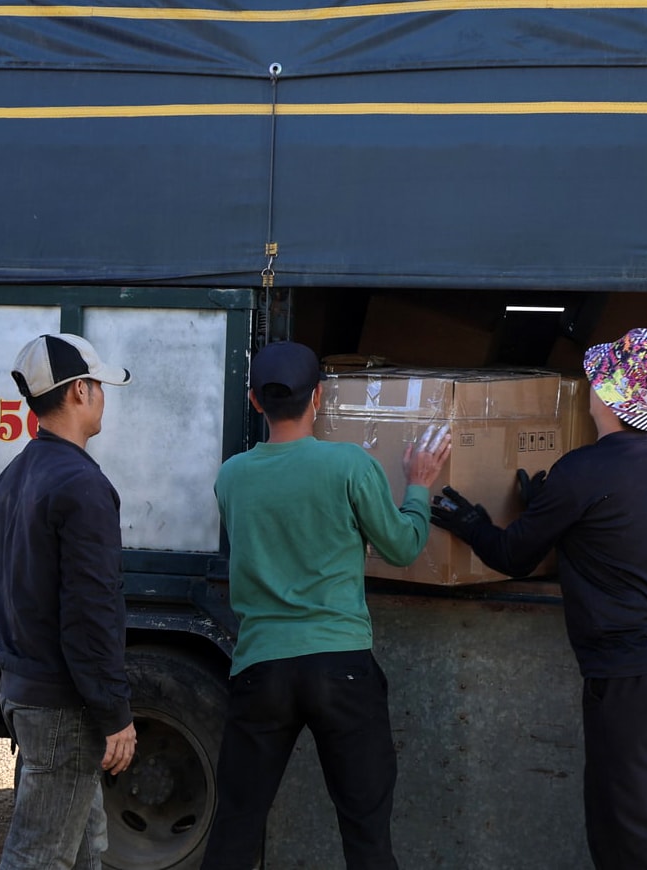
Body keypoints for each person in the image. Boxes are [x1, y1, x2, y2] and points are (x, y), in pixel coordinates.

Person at [430, 327, 647, 870]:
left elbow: (514, 555)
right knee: (642, 824)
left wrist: (472, 523)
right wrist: (549, 507)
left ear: (608, 397)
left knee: (628, 839)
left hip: (628, 677)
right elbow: (620, 531)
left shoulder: (582, 471)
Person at [202, 340, 452, 870]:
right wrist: (418, 487)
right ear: (318, 397)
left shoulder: (231, 476)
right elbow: (403, 547)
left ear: (254, 401)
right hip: (342, 669)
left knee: (236, 827)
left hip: (261, 669)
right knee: (366, 834)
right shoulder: (349, 465)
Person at [0, 333, 138, 870]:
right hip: (63, 706)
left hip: (26, 691)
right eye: (99, 385)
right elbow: (90, 612)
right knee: (38, 856)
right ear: (79, 391)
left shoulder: (12, 478)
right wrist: (114, 712)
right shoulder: (82, 485)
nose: (103, 396)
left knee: (86, 849)